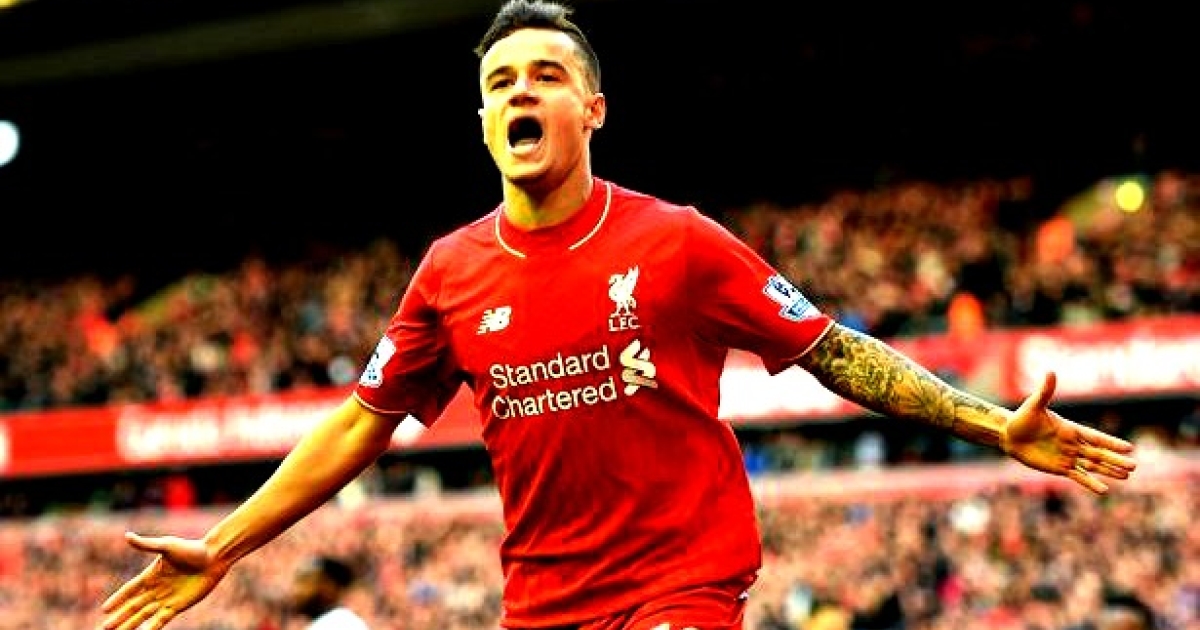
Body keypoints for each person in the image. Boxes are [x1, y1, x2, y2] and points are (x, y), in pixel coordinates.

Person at [98, 2, 1138, 629]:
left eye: (547, 76)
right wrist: (224, 547)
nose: (522, 92)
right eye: (501, 82)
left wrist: (989, 423)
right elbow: (358, 427)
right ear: (482, 121)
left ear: (592, 110)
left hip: (683, 587)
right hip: (543, 602)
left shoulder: (677, 241)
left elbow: (832, 350)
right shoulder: (450, 271)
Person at [290, 556, 369, 630]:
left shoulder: (342, 624)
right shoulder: (327, 622)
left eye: (306, 582)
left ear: (328, 586)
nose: (297, 591)